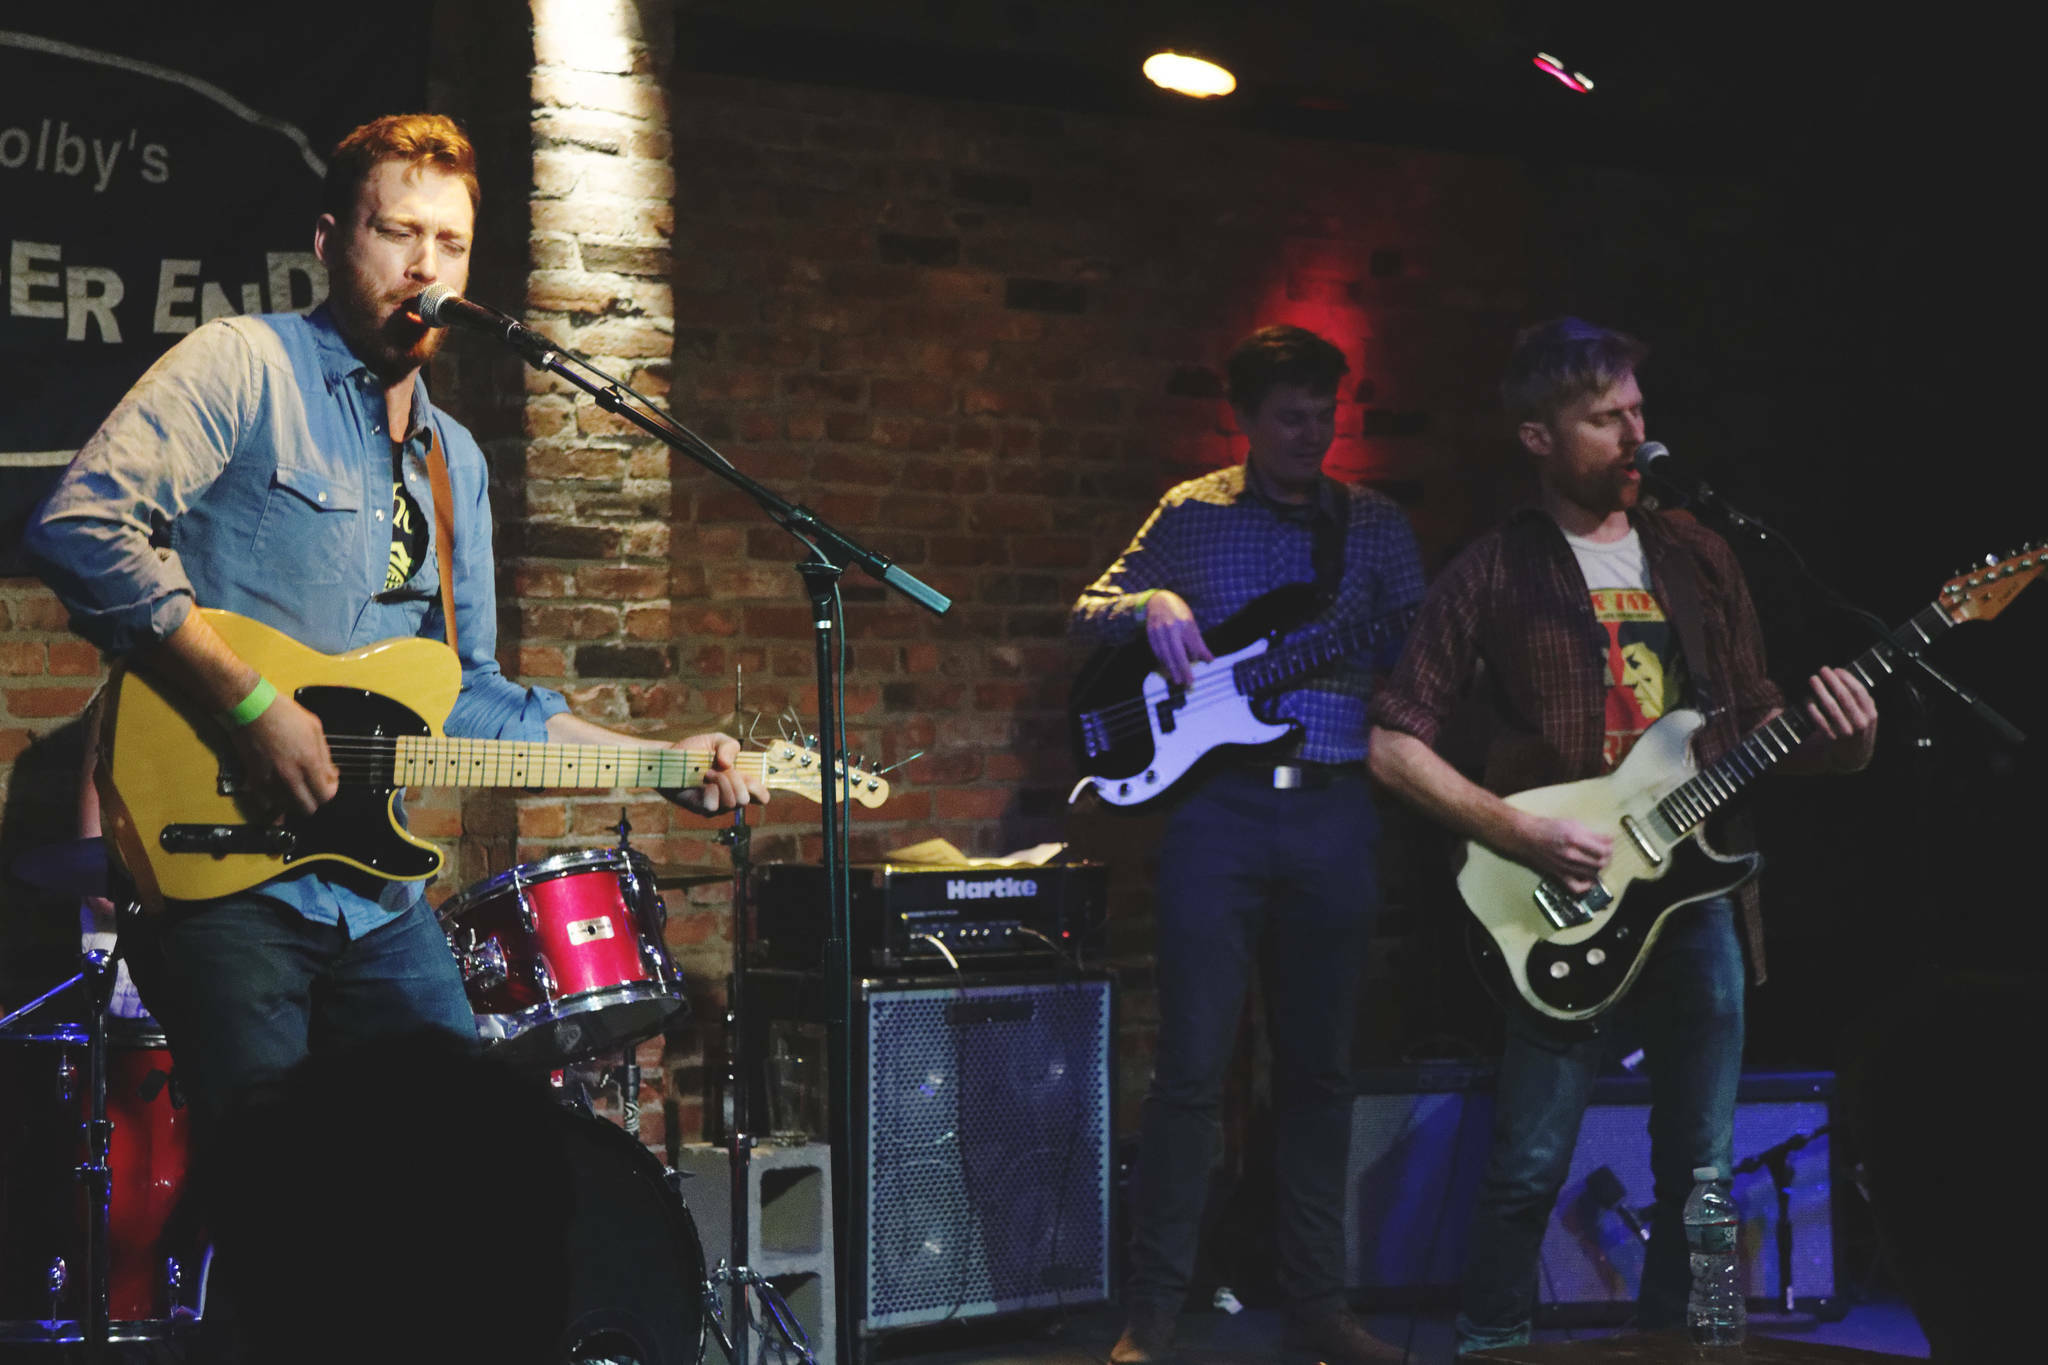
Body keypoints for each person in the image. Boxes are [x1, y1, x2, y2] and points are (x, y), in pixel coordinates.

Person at [24, 113, 765, 1134]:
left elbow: (470, 696)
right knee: (278, 1194)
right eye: (397, 233)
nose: (425, 265)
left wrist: (663, 762)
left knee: (449, 1163)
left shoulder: (453, 460)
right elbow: (80, 526)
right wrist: (251, 706)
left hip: (373, 893)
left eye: (450, 243)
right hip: (224, 871)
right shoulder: (244, 366)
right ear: (331, 242)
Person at [1365, 317, 1878, 1354]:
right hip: (1562, 901)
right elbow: (1389, 744)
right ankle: (1491, 1341)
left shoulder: (1699, 553)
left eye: (1638, 411)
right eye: (1605, 419)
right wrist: (1516, 832)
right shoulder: (1492, 572)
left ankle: (1683, 1346)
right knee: (1526, 1157)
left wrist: (1845, 744)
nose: (1636, 436)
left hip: (1695, 900)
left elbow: (1752, 726)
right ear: (1537, 437)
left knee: (1700, 1164)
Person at [1071, 325, 1424, 1365]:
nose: (1308, 435)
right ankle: (1154, 1315)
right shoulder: (1189, 513)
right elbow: (1086, 613)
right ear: (1244, 417)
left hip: (1331, 807)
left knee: (1318, 1072)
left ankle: (1321, 1307)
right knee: (1189, 1069)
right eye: (1287, 417)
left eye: (1323, 416)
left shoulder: (1375, 528)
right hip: (1215, 814)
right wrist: (1150, 604)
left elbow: (1417, 652)